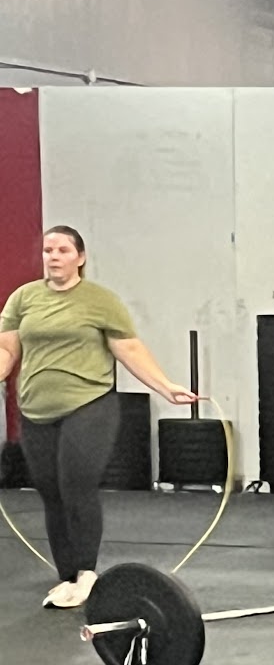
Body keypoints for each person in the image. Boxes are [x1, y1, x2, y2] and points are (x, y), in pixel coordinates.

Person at [0, 225, 196, 609]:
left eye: (62, 250)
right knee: (50, 492)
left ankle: (87, 572)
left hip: (89, 404)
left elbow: (129, 349)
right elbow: (7, 350)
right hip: (36, 409)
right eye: (48, 250)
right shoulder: (24, 298)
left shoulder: (100, 301)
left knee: (76, 484)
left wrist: (166, 386)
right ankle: (67, 577)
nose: (53, 257)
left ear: (80, 257)